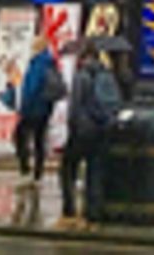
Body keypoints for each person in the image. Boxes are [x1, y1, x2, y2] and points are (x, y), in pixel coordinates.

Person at [60, 40, 121, 227]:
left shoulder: (82, 76)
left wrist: (71, 127)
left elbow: (76, 106)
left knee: (67, 168)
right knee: (95, 171)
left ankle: (69, 209)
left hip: (82, 130)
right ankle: (94, 213)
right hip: (102, 129)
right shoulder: (107, 74)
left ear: (84, 56)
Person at [15, 31, 65, 184]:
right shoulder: (49, 62)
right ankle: (38, 173)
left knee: (19, 135)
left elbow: (33, 86)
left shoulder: (38, 63)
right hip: (45, 107)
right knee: (39, 139)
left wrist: (24, 106)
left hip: (34, 107)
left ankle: (26, 169)